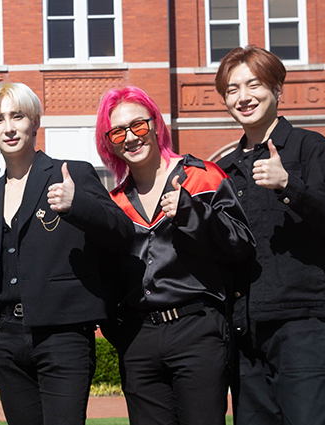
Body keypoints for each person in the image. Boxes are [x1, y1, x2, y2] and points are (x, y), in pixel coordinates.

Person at [0, 82, 132, 425]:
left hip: (64, 336)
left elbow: (122, 233)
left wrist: (79, 206)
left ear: (35, 122)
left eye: (18, 116)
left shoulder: (71, 173)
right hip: (8, 342)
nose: (9, 127)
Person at [94, 86, 255, 425]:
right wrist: (123, 335)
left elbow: (242, 245)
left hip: (197, 331)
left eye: (139, 125)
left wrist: (193, 213)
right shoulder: (114, 204)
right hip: (140, 339)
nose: (131, 138)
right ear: (109, 142)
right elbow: (105, 279)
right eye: (118, 132)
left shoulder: (202, 177)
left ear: (156, 125)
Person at [214, 45, 325, 425]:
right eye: (232, 89)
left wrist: (289, 184)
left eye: (253, 85)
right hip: (245, 331)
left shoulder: (311, 148)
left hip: (302, 324)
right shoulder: (224, 170)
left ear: (277, 89)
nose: (243, 97)